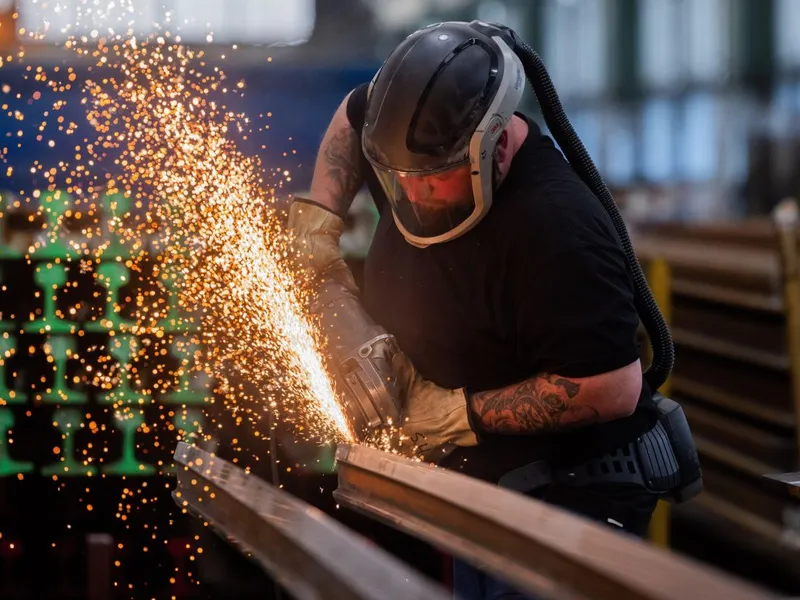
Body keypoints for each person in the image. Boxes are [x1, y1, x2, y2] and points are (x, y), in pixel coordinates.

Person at [288, 21, 664, 600]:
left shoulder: (558, 226)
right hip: (475, 486)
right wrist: (320, 221)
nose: (412, 195)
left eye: (434, 179)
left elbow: (612, 386)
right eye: (400, 178)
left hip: (562, 501)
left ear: (493, 142)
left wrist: (457, 414)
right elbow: (355, 112)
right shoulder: (408, 136)